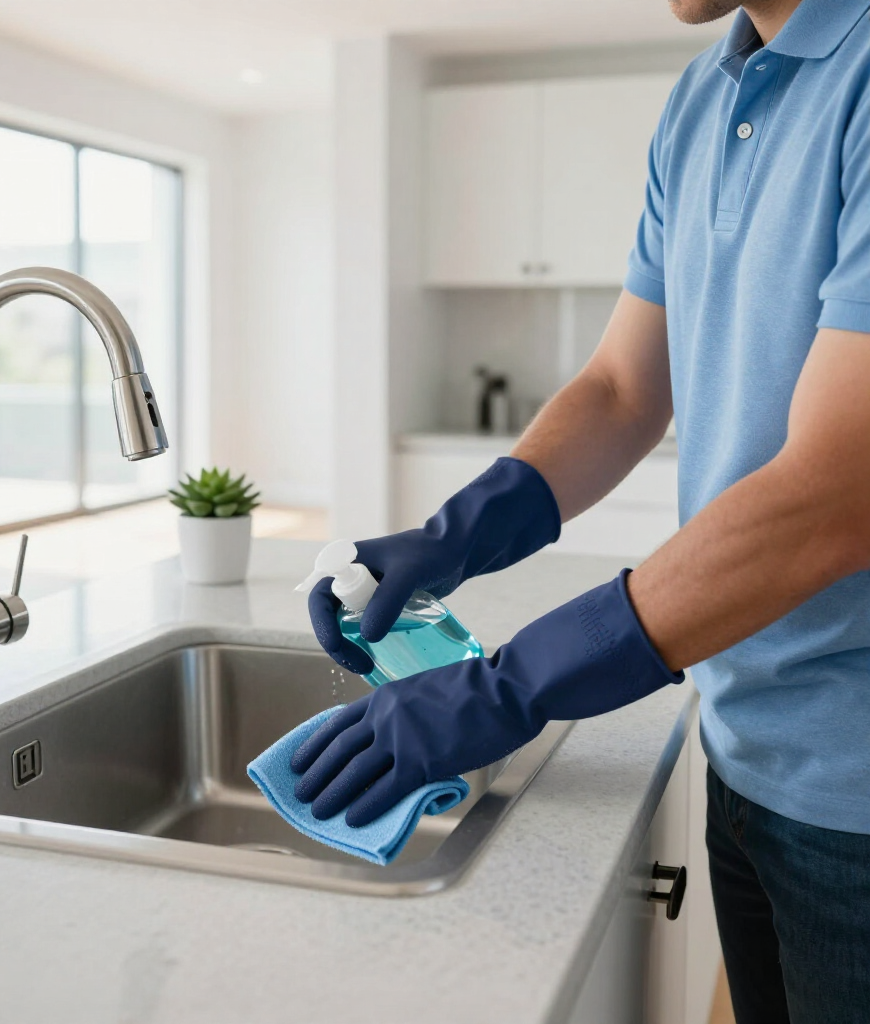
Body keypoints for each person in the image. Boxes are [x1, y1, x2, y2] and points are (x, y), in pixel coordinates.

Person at [291, 0, 870, 1019]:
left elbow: (835, 491)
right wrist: (457, 533)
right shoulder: (704, 95)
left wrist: (514, 686)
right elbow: (619, 387)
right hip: (747, 740)